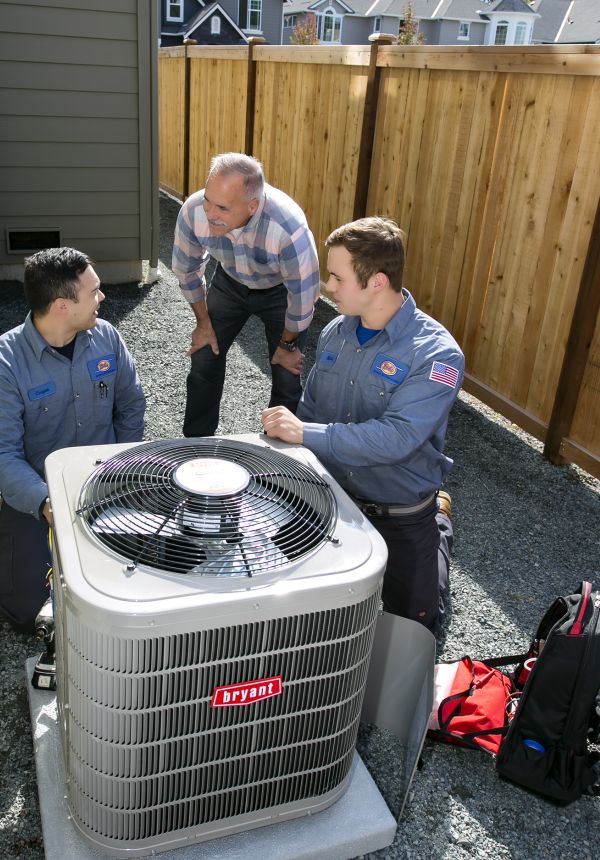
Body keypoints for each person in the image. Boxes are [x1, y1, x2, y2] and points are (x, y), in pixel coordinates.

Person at [262, 217, 464, 635]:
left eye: (336, 277)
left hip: (400, 514)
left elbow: (398, 439)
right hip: (335, 501)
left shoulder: (438, 355)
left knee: (417, 630)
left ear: (377, 282)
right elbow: (313, 409)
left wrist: (303, 432)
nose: (327, 287)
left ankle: (438, 532)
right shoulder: (336, 331)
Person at [0, 247, 146, 632]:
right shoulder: (7, 363)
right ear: (63, 305)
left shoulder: (107, 338)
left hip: (107, 484)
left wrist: (124, 468)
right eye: (94, 291)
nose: (103, 297)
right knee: (31, 611)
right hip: (40, 496)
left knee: (137, 585)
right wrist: (47, 503)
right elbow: (4, 455)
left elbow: (131, 405)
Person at [172, 152, 320, 437]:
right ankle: (195, 445)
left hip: (280, 292)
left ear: (252, 206)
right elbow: (187, 271)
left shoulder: (287, 228)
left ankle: (280, 457)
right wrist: (203, 324)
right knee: (204, 355)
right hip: (229, 281)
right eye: (208, 201)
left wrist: (288, 346)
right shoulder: (193, 212)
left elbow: (303, 298)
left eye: (223, 209)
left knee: (286, 374)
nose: (210, 214)